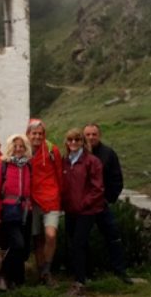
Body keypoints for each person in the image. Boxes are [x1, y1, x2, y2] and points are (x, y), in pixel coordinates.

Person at [83, 123, 132, 284]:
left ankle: (120, 272)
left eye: (94, 134)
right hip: (84, 206)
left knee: (113, 238)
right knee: (82, 240)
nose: (91, 137)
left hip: (102, 205)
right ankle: (87, 273)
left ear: (99, 135)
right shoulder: (78, 153)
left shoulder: (108, 154)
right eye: (88, 134)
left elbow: (117, 179)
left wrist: (107, 199)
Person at [61, 128, 105, 296]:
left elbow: (98, 188)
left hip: (87, 210)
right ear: (66, 142)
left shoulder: (92, 161)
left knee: (78, 243)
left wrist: (84, 203)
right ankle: (89, 273)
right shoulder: (65, 161)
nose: (73, 143)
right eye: (70, 140)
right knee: (79, 243)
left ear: (82, 142)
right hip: (71, 210)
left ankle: (80, 283)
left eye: (77, 140)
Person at [0, 134, 32, 291]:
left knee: (23, 247)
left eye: (21, 146)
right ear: (10, 147)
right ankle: (1, 274)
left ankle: (15, 279)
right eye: (16, 146)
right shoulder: (3, 164)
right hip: (9, 209)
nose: (19, 149)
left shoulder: (28, 165)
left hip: (26, 210)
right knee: (18, 244)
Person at [26, 119, 62, 286]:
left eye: (40, 133)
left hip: (50, 199)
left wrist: (59, 196)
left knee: (50, 234)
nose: (37, 136)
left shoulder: (52, 150)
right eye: (34, 133)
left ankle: (46, 271)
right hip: (31, 200)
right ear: (28, 134)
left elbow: (59, 175)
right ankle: (42, 273)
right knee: (37, 238)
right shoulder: (23, 150)